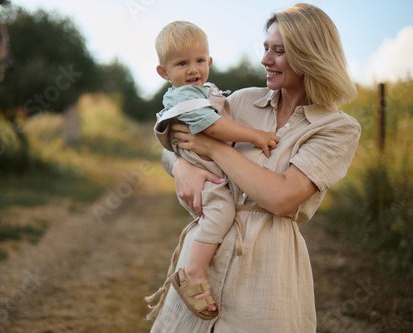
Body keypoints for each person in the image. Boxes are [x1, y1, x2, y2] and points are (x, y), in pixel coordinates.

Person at [147, 3, 361, 332]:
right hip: (205, 254)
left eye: (278, 51)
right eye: (265, 48)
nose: (265, 60)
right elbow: (178, 139)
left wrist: (213, 147)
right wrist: (180, 167)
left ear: (309, 55)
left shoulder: (337, 128)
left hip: (268, 267)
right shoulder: (243, 101)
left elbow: (281, 198)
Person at [146, 21, 279, 320]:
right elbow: (213, 126)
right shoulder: (183, 97)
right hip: (203, 173)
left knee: (220, 215)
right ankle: (193, 272)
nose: (193, 69)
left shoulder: (206, 91)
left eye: (199, 61)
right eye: (182, 63)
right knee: (221, 213)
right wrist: (255, 135)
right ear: (164, 73)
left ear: (210, 61)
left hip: (209, 172)